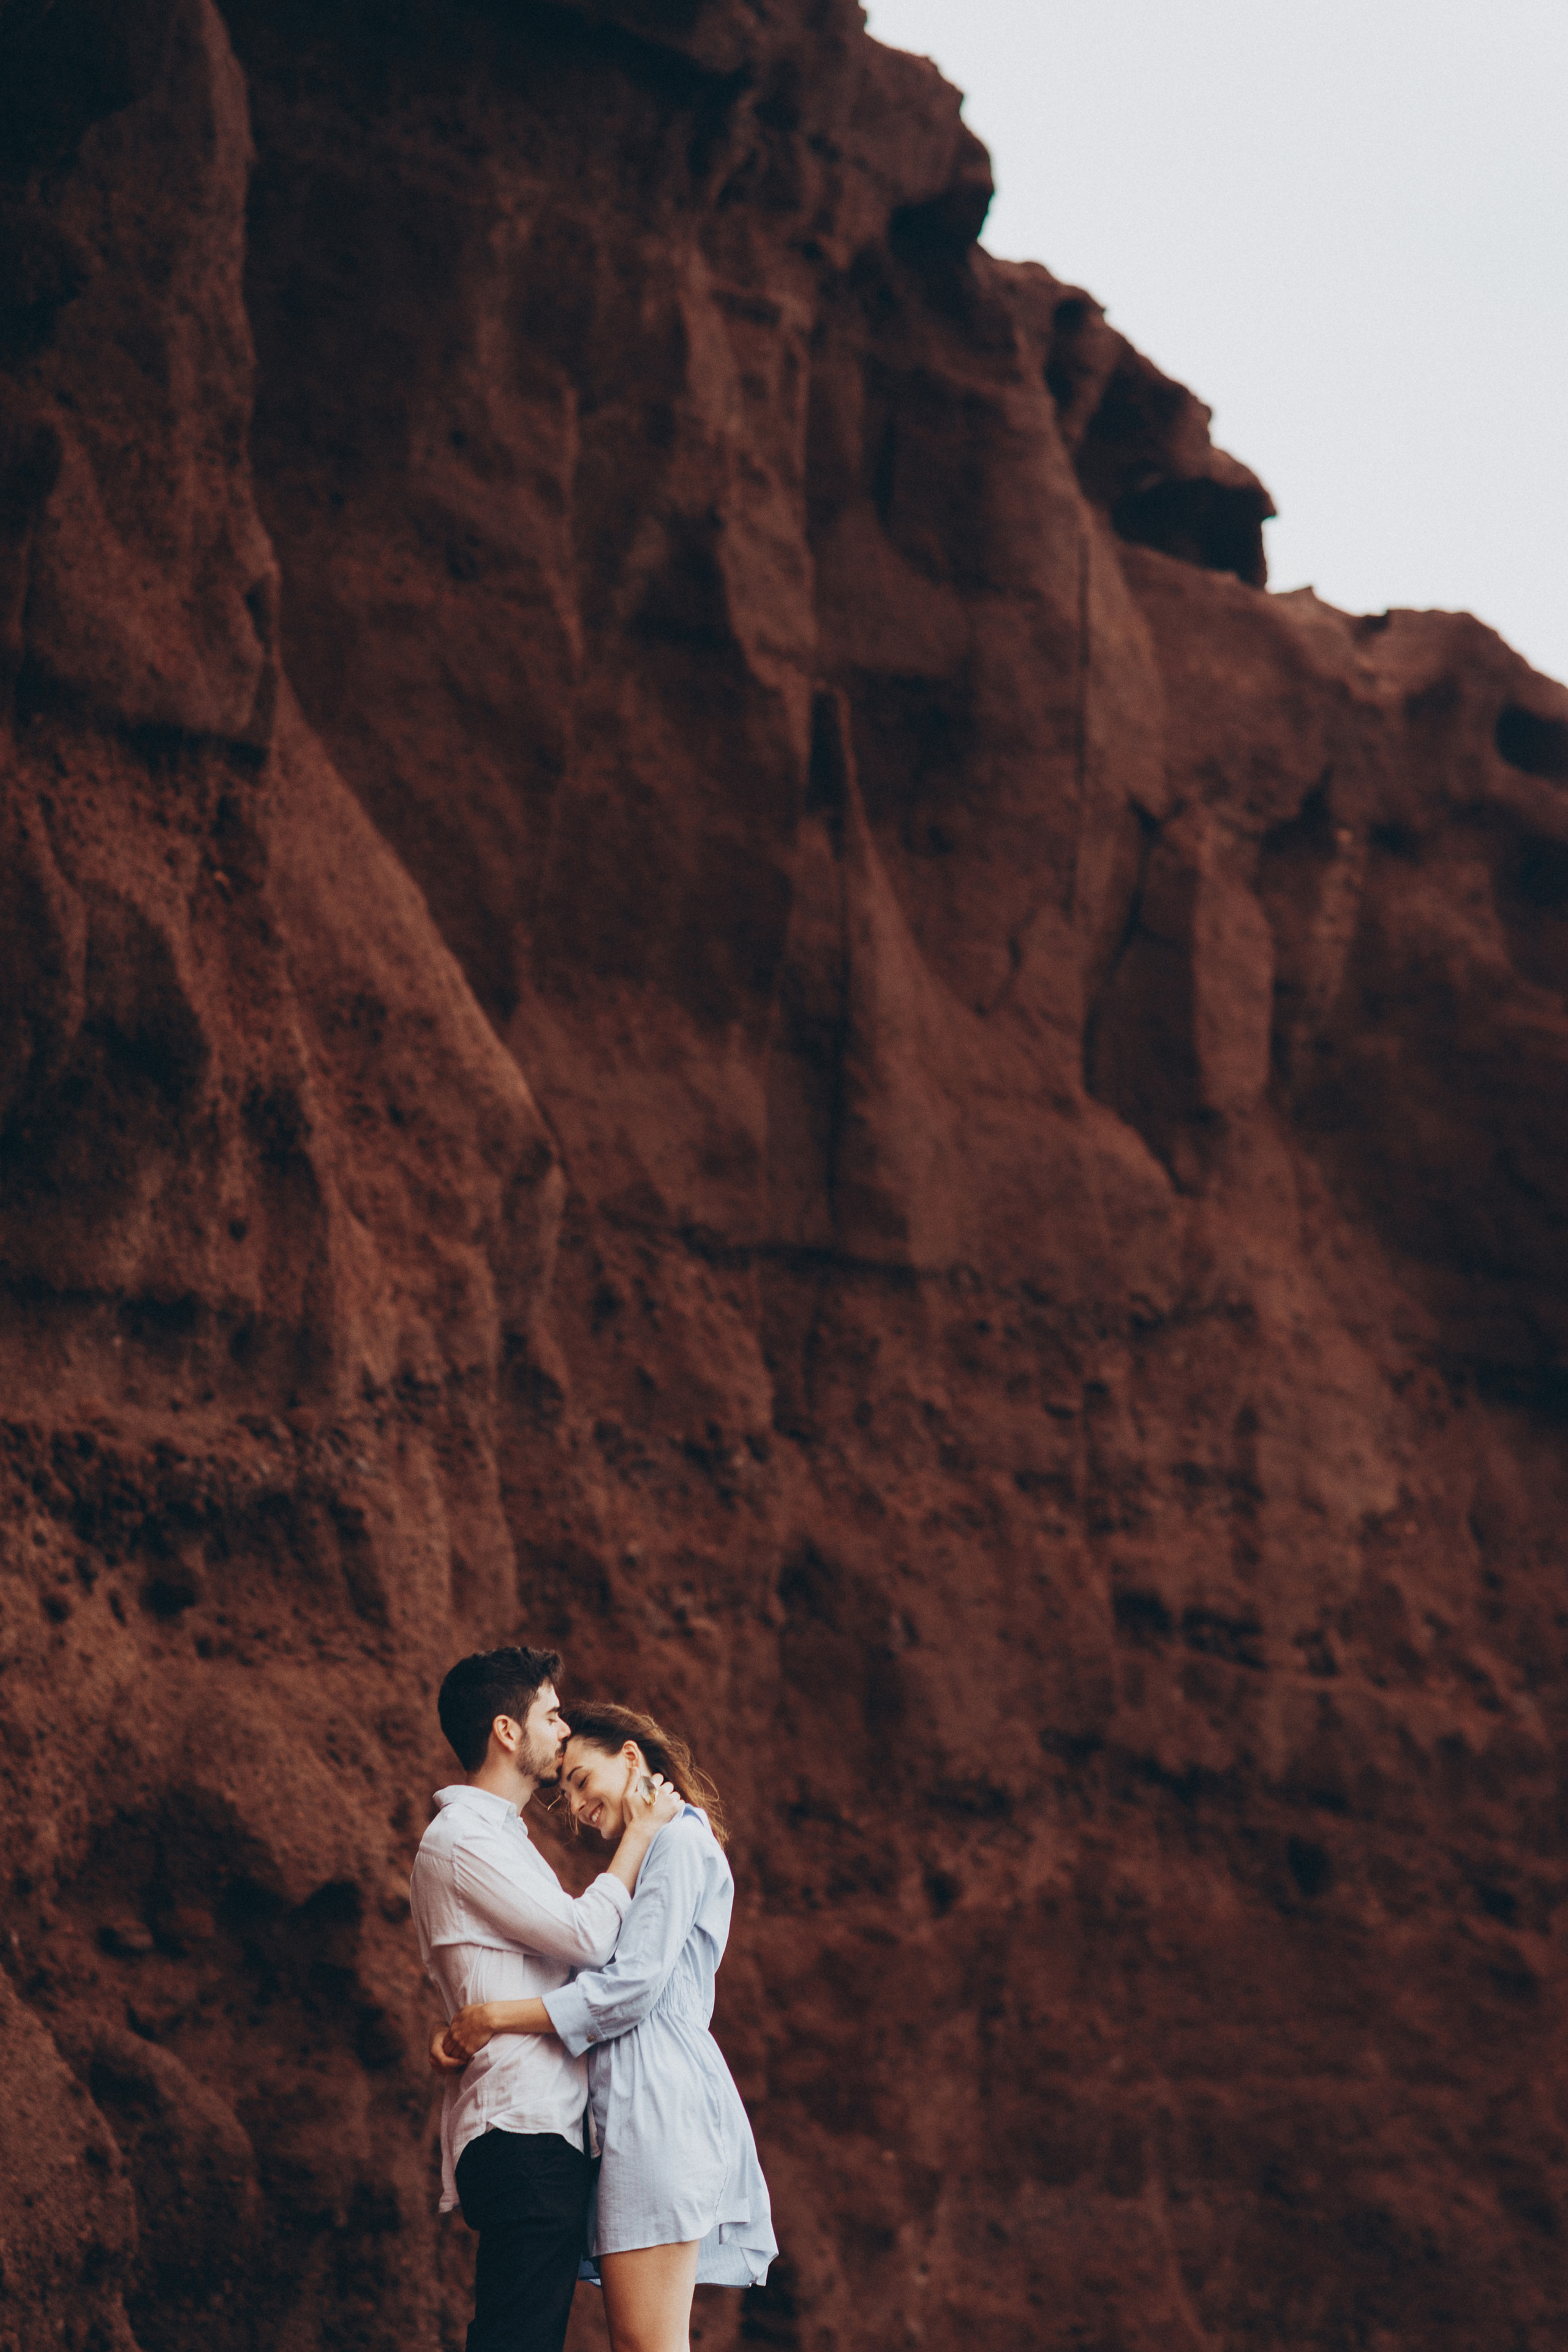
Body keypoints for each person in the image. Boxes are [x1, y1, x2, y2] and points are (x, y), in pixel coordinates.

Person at [432, 1702, 777, 2352]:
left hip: (659, 2097)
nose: (576, 1806)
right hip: (631, 2105)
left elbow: (632, 1987)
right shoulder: (648, 1852)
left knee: (649, 2343)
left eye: (582, 1780)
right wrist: (465, 2029)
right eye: (565, 1794)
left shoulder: (678, 1840)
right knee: (641, 2341)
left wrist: (492, 2018)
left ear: (631, 1757)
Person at [410, 1648, 682, 2352]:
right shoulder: (462, 1838)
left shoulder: (504, 1840)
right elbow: (586, 1938)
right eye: (552, 1715)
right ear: (507, 1731)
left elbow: (526, 1975)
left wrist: (474, 2023)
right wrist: (641, 1835)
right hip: (520, 2129)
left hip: (541, 2132)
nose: (564, 1731)